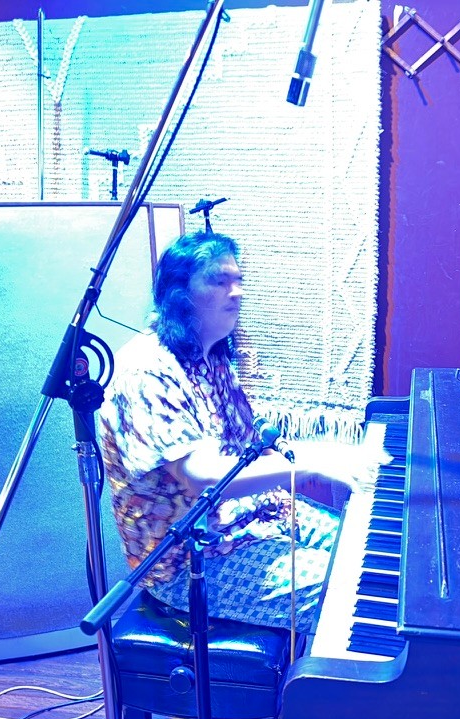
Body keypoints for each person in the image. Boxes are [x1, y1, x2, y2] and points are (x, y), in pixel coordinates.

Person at [98, 230, 381, 634]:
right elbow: (202, 477)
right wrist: (314, 464)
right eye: (219, 281)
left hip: (255, 520)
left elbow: (250, 449)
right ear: (180, 294)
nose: (237, 292)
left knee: (370, 551)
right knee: (357, 589)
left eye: (238, 280)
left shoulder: (209, 356)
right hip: (189, 560)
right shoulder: (146, 370)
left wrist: (328, 454)